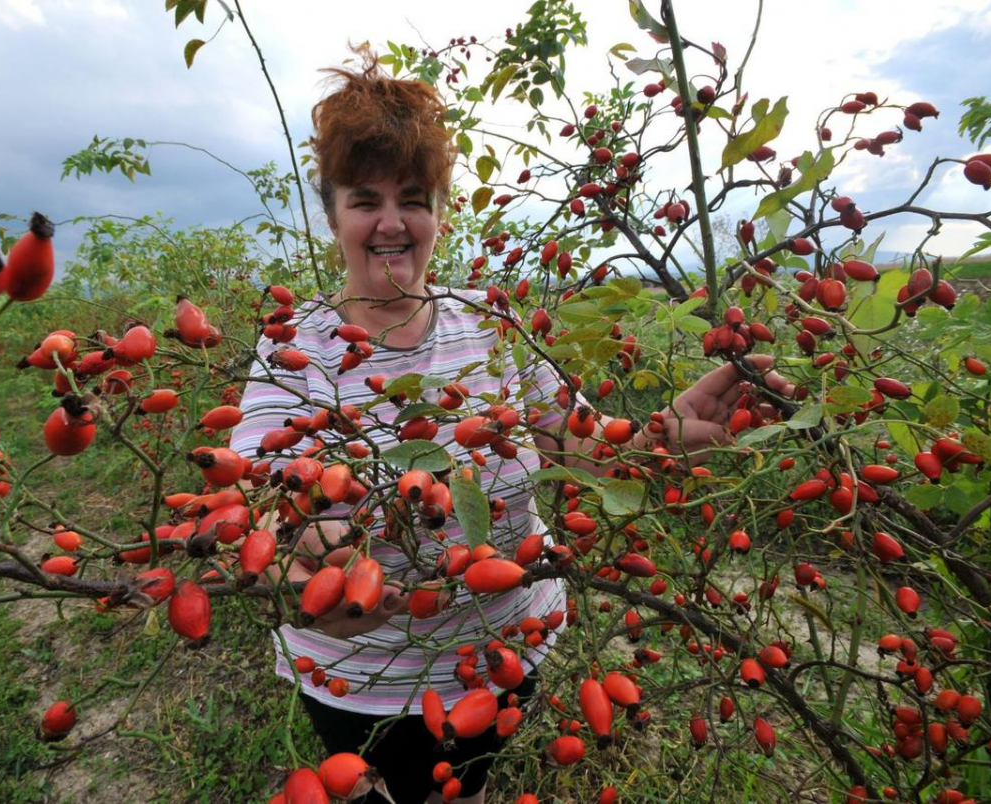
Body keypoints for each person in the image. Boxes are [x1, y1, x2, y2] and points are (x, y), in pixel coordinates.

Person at [228, 47, 793, 804]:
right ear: (333, 216)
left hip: (505, 649)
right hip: (360, 675)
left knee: (467, 787)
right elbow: (253, 503)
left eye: (414, 198)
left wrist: (661, 434)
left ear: (440, 212)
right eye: (365, 201)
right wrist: (297, 572)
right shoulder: (294, 347)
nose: (391, 222)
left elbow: (577, 443)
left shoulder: (493, 325)